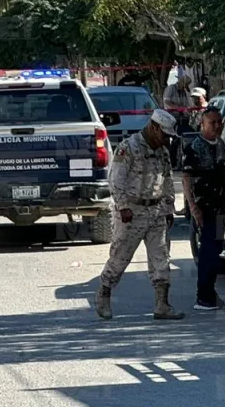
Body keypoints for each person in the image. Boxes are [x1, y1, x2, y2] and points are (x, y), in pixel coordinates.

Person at [96, 108, 186, 321]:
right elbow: (116, 179)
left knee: (161, 259)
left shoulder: (162, 151)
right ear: (154, 128)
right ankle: (104, 293)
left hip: (155, 212)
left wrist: (168, 208)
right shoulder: (129, 147)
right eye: (164, 134)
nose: (167, 140)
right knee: (120, 258)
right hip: (132, 212)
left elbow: (166, 180)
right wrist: (123, 205)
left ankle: (162, 304)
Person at [183, 108, 225, 311]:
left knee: (215, 250)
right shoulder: (194, 148)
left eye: (219, 122)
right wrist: (192, 207)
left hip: (218, 206)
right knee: (207, 251)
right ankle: (203, 297)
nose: (217, 126)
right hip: (202, 206)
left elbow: (222, 172)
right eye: (212, 123)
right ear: (202, 124)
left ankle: (210, 291)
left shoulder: (220, 145)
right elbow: (186, 179)